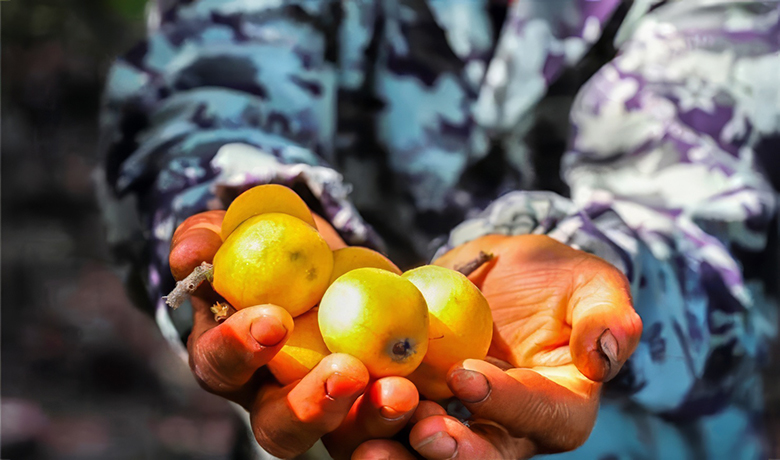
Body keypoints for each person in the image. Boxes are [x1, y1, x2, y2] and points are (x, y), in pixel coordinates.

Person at [97, 0, 779, 458]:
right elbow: (200, 96)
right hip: (328, 421)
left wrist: (592, 271)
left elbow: (719, 223)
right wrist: (229, 207)